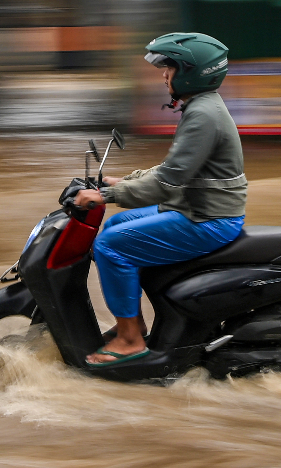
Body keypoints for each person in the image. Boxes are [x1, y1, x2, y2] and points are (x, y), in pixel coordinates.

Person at [74, 33, 246, 368]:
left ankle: (130, 340)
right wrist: (127, 180)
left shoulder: (202, 115)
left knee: (110, 245)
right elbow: (175, 168)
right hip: (198, 207)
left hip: (209, 219)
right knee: (116, 224)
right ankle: (134, 322)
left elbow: (168, 181)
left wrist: (107, 194)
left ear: (190, 72)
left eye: (169, 68)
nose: (163, 74)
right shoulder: (202, 107)